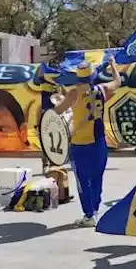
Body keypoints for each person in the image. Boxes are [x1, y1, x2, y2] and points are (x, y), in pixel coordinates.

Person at [55, 57, 128, 227]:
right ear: (93, 77)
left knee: (83, 180)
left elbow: (58, 111)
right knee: (97, 178)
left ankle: (89, 214)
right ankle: (95, 209)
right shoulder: (102, 89)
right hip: (99, 140)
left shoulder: (74, 93)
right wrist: (113, 65)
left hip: (79, 143)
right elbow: (118, 81)